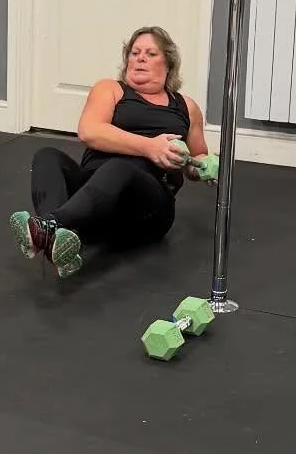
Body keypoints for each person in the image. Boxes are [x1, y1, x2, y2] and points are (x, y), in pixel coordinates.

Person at [11, 25, 214, 279]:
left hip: (146, 211)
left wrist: (203, 167)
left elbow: (197, 161)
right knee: (47, 156)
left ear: (169, 63)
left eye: (151, 54)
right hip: (95, 200)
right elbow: (90, 131)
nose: (140, 58)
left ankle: (48, 226)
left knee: (120, 167)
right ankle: (56, 239)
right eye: (134, 52)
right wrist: (150, 146)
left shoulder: (187, 107)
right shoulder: (110, 89)